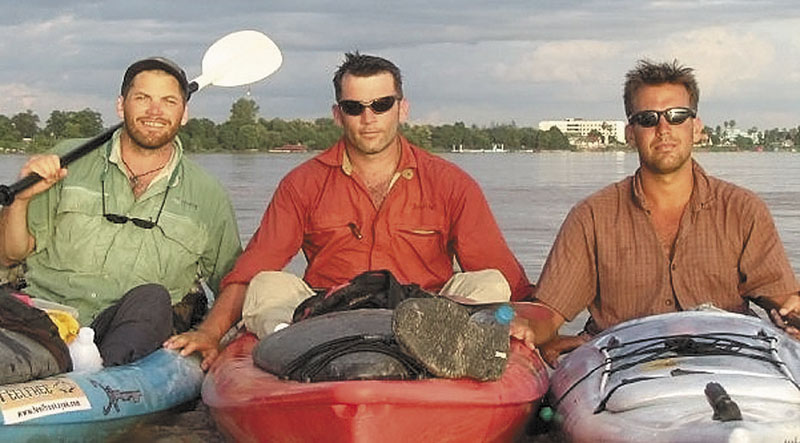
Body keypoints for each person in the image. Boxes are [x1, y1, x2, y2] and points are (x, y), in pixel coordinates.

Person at [166, 52, 533, 370]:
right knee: (265, 284)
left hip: (426, 316)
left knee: (490, 283)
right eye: (354, 107)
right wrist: (209, 333)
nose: (368, 117)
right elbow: (252, 268)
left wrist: (544, 334)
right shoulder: (302, 183)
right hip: (327, 314)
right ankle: (299, 352)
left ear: (402, 108)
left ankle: (445, 352)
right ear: (338, 114)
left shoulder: (452, 183)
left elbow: (504, 275)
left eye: (381, 105)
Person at [520, 59, 800, 365]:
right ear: (630, 133)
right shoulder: (592, 216)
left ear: (696, 128)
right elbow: (549, 311)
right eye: (648, 118)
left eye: (677, 116)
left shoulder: (743, 210)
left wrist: (793, 315)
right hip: (623, 376)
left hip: (728, 366)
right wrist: (526, 329)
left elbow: (784, 301)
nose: (664, 129)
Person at [0, 57, 241, 372]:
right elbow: (8, 256)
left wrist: (210, 333)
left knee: (152, 299)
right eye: (142, 98)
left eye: (168, 101)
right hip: (44, 320)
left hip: (132, 329)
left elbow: (235, 281)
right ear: (120, 105)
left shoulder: (208, 194)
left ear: (184, 115)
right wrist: (19, 201)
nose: (155, 111)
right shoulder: (65, 161)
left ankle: (100, 381)